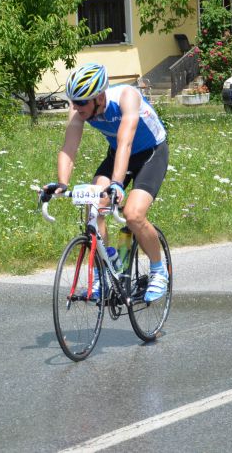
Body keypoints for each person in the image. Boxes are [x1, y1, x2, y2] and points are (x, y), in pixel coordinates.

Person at [40, 63, 169, 302]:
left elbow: (125, 144)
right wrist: (62, 183)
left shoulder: (127, 97)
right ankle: (107, 264)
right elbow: (69, 147)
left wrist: (118, 183)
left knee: (133, 215)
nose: (76, 107)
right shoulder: (78, 109)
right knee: (94, 205)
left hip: (150, 154)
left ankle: (158, 270)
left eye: (81, 102)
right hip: (116, 156)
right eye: (73, 101)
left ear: (99, 97)